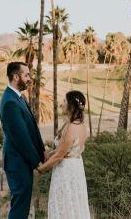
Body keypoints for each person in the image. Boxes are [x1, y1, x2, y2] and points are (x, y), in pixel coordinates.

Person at [0, 61, 46, 219]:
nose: (29, 78)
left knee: (22, 206)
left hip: (21, 162)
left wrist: (42, 152)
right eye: (26, 75)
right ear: (15, 76)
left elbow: (32, 128)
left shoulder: (19, 97)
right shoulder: (10, 102)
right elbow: (21, 138)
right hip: (17, 163)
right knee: (19, 208)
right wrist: (36, 162)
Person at [36, 90, 91, 219]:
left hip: (66, 171)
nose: (62, 103)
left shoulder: (72, 127)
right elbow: (65, 149)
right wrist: (50, 154)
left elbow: (60, 156)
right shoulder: (81, 126)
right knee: (73, 203)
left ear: (71, 105)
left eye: (65, 101)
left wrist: (41, 169)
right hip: (76, 167)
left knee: (64, 203)